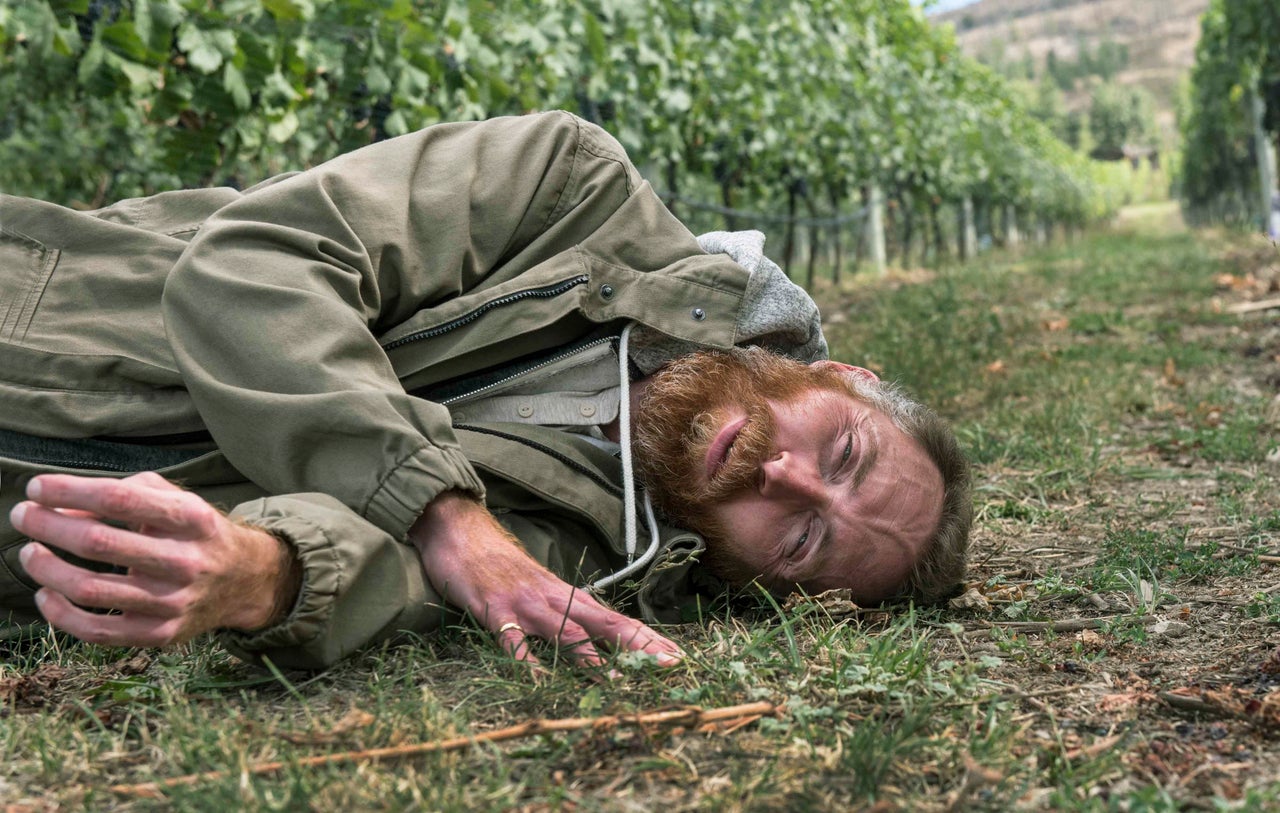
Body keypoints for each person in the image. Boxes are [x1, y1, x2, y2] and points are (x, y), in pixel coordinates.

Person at [0, 111, 972, 671]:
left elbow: (407, 586)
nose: (789, 479)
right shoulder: (568, 189)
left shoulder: (615, 557)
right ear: (840, 376)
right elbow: (254, 267)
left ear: (758, 584)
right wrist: (444, 511)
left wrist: (265, 574)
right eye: (839, 449)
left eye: (802, 540)